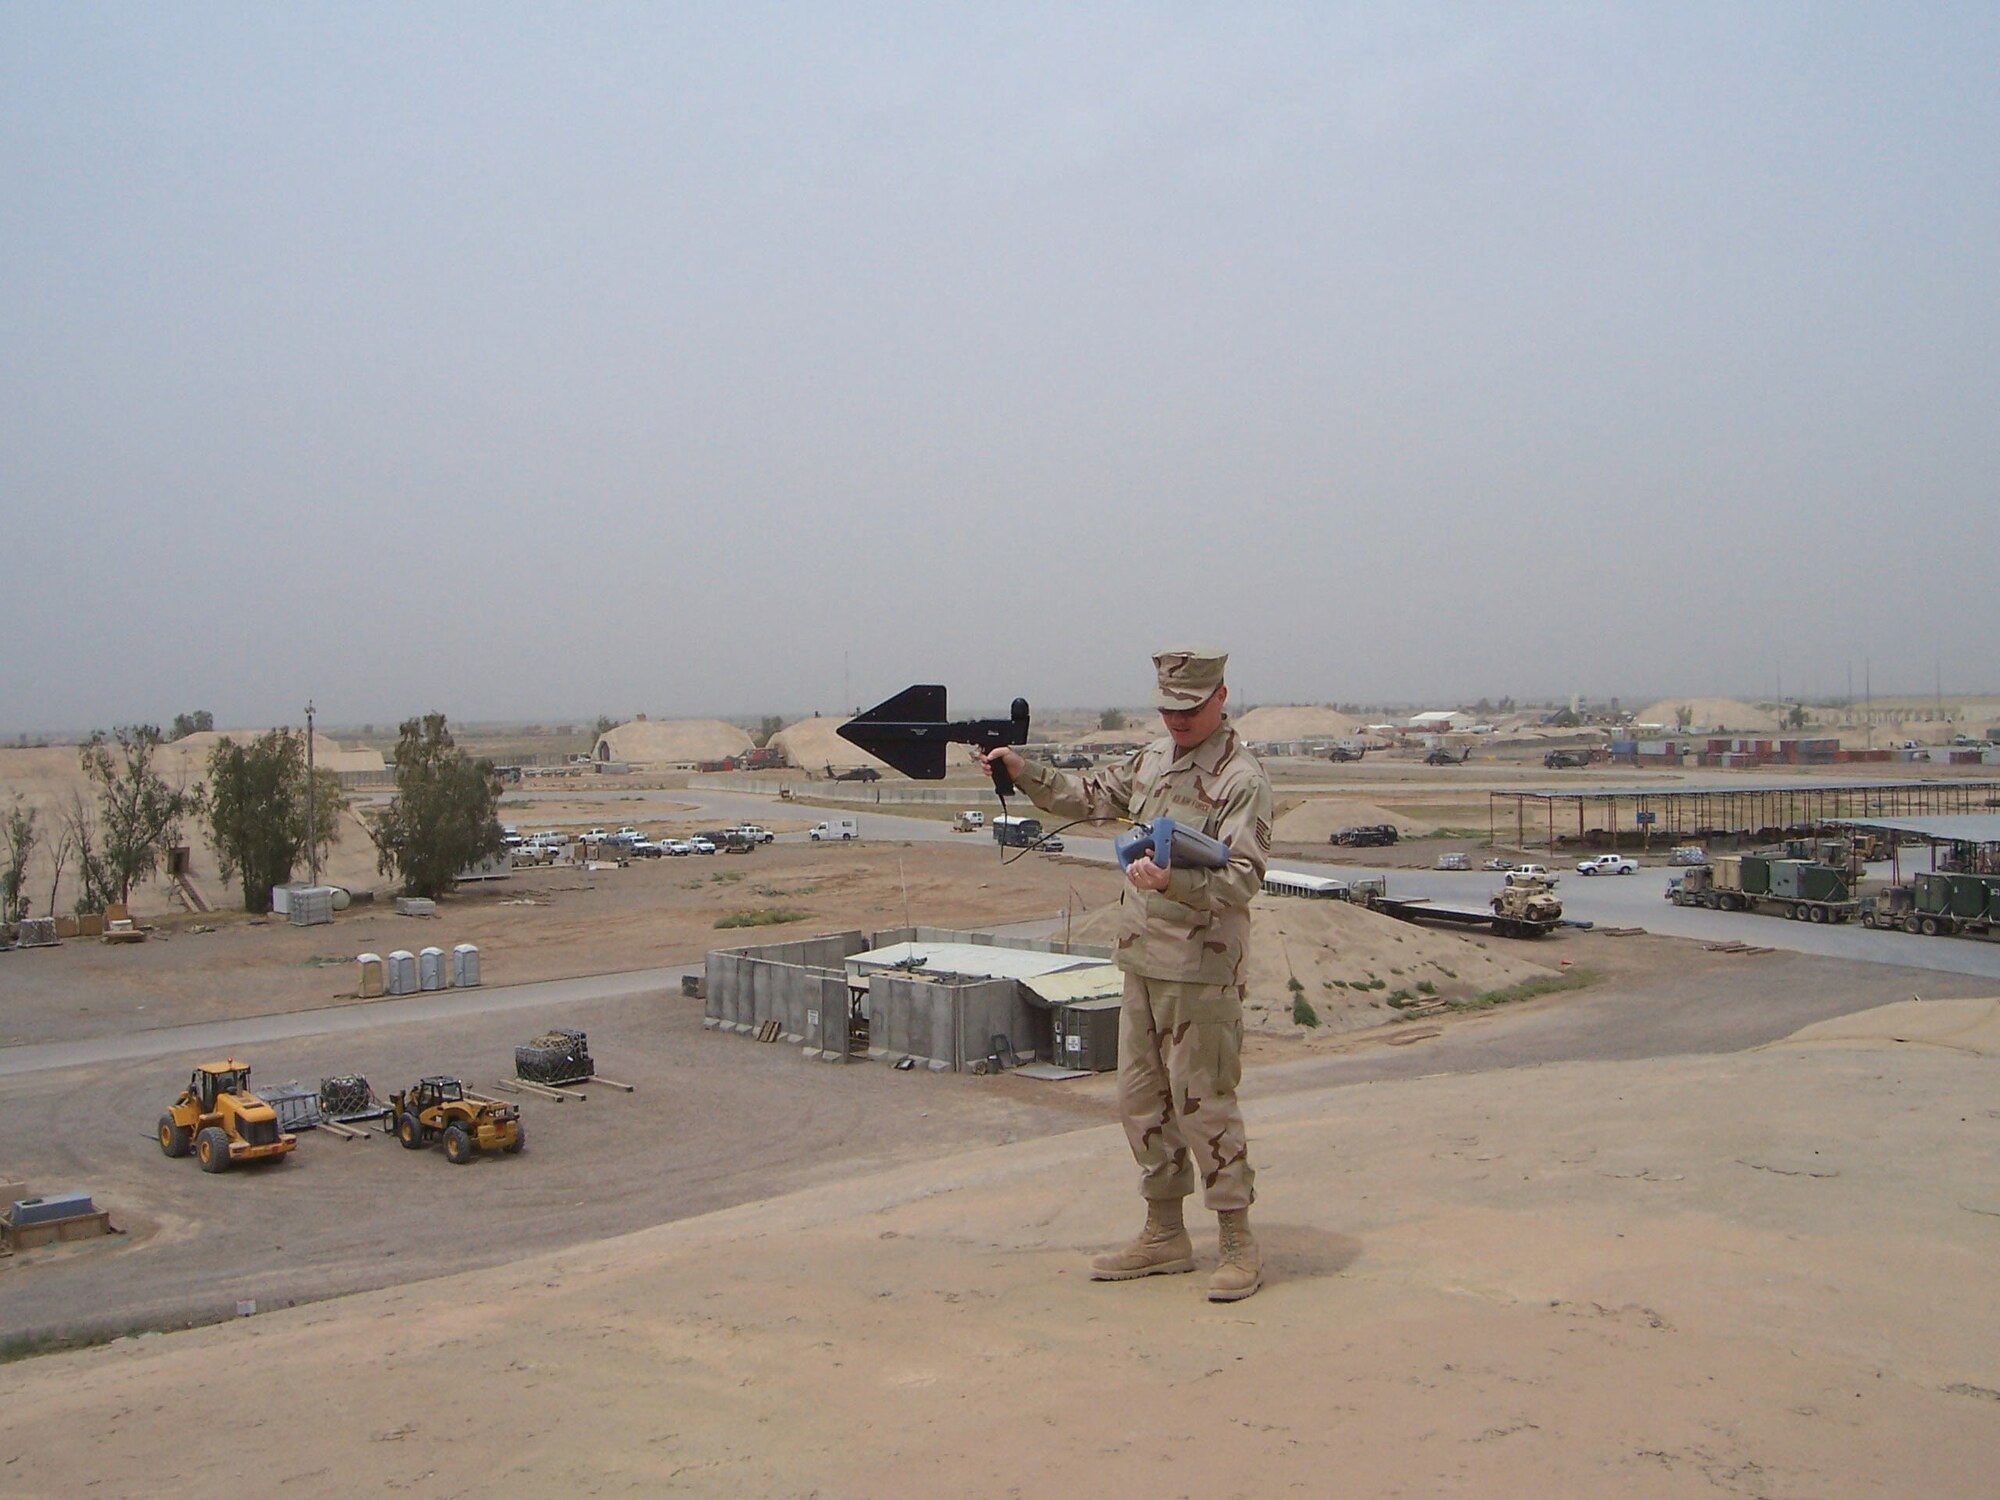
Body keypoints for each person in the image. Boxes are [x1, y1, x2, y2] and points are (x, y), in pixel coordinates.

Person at [981, 647, 1273, 1301]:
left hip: (1201, 971)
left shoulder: (1240, 779)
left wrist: (1177, 881)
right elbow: (1089, 796)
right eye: (1168, 708)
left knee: (1204, 1105)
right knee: (1140, 1102)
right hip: (1141, 960)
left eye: (1190, 708)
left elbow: (1244, 879)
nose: (1178, 720)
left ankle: (1236, 1242)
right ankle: (1164, 1234)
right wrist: (1024, 770)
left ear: (1220, 698)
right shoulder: (1152, 761)